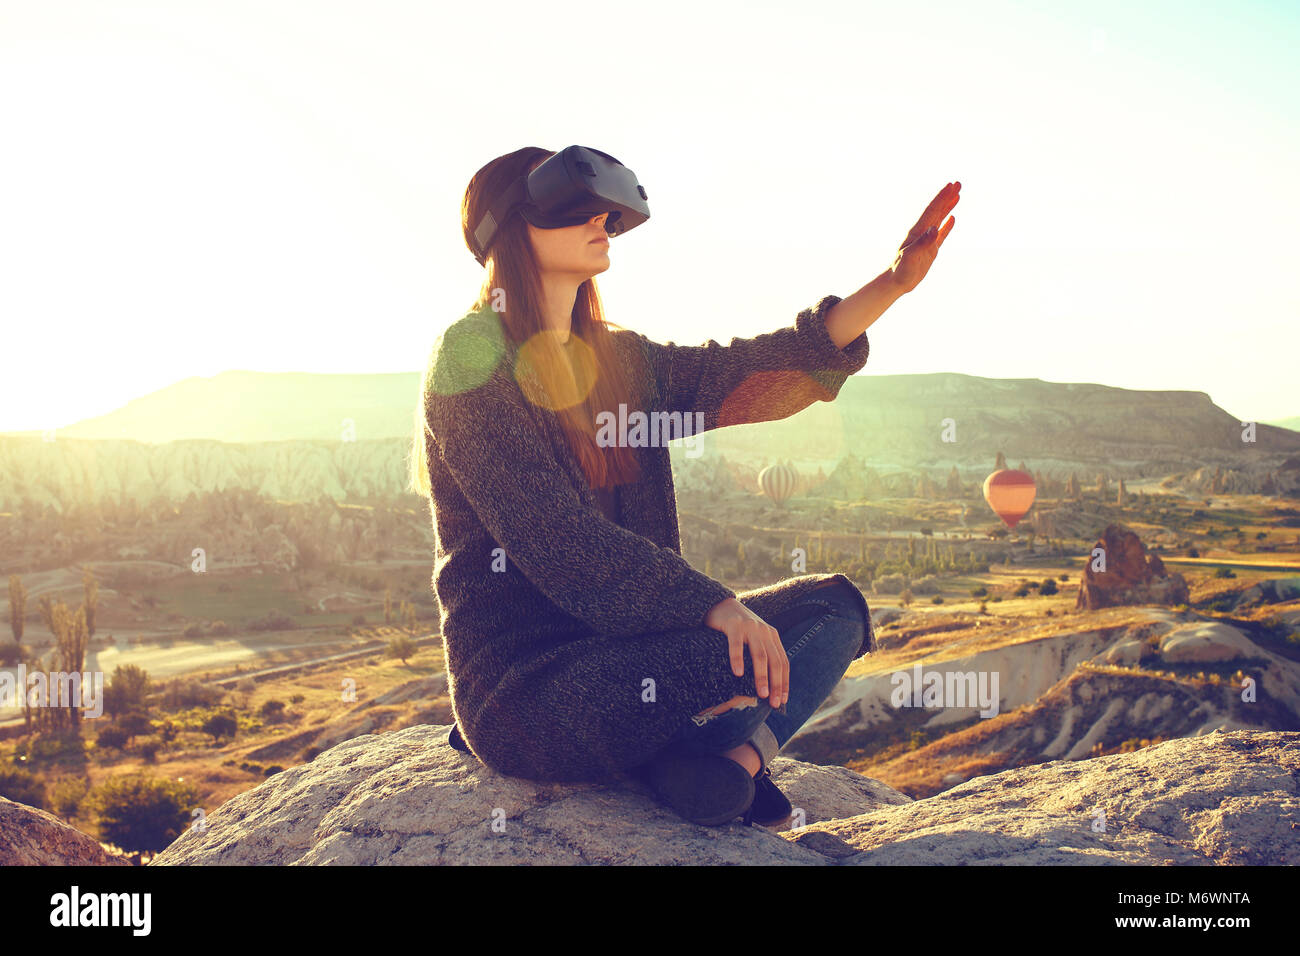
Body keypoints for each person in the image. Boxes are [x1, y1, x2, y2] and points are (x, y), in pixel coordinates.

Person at [409, 146, 958, 827]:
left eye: (607, 212)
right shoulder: (470, 357)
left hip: (630, 655)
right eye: (577, 211)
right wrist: (713, 605)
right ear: (510, 230)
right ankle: (680, 751)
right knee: (736, 654)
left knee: (836, 610)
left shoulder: (618, 360)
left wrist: (894, 283)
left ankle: (728, 767)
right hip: (530, 689)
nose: (602, 222)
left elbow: (752, 376)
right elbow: (557, 540)